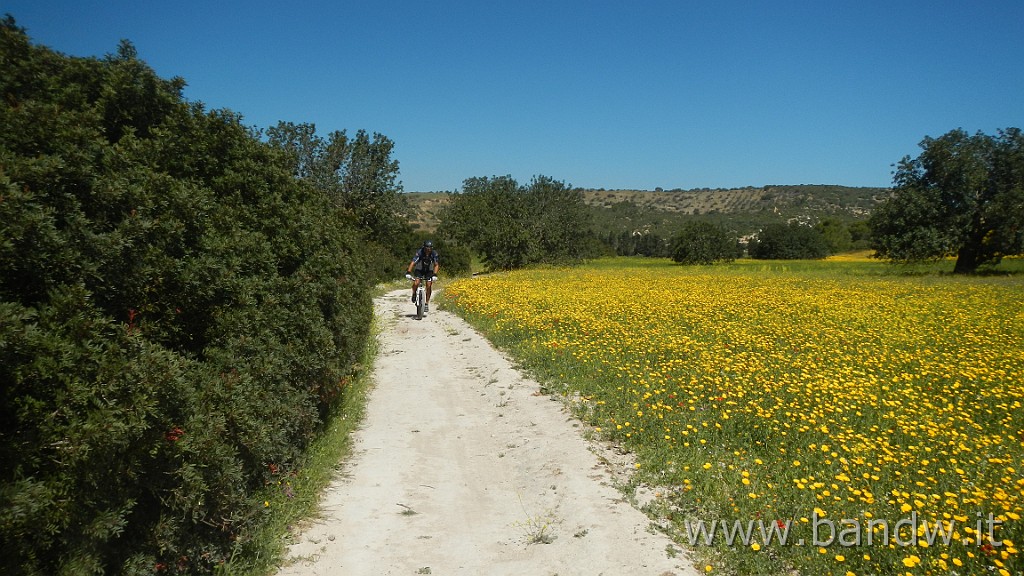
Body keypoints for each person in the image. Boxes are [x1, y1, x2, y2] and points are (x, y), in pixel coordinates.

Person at [407, 240, 440, 311]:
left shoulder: (434, 253)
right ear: (424, 248)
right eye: (427, 249)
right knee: (416, 282)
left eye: (430, 249)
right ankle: (414, 293)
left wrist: (435, 274)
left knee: (428, 285)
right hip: (419, 269)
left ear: (431, 248)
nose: (428, 250)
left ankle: (426, 303)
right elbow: (413, 262)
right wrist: (408, 272)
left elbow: (436, 265)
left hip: (429, 270)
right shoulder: (420, 252)